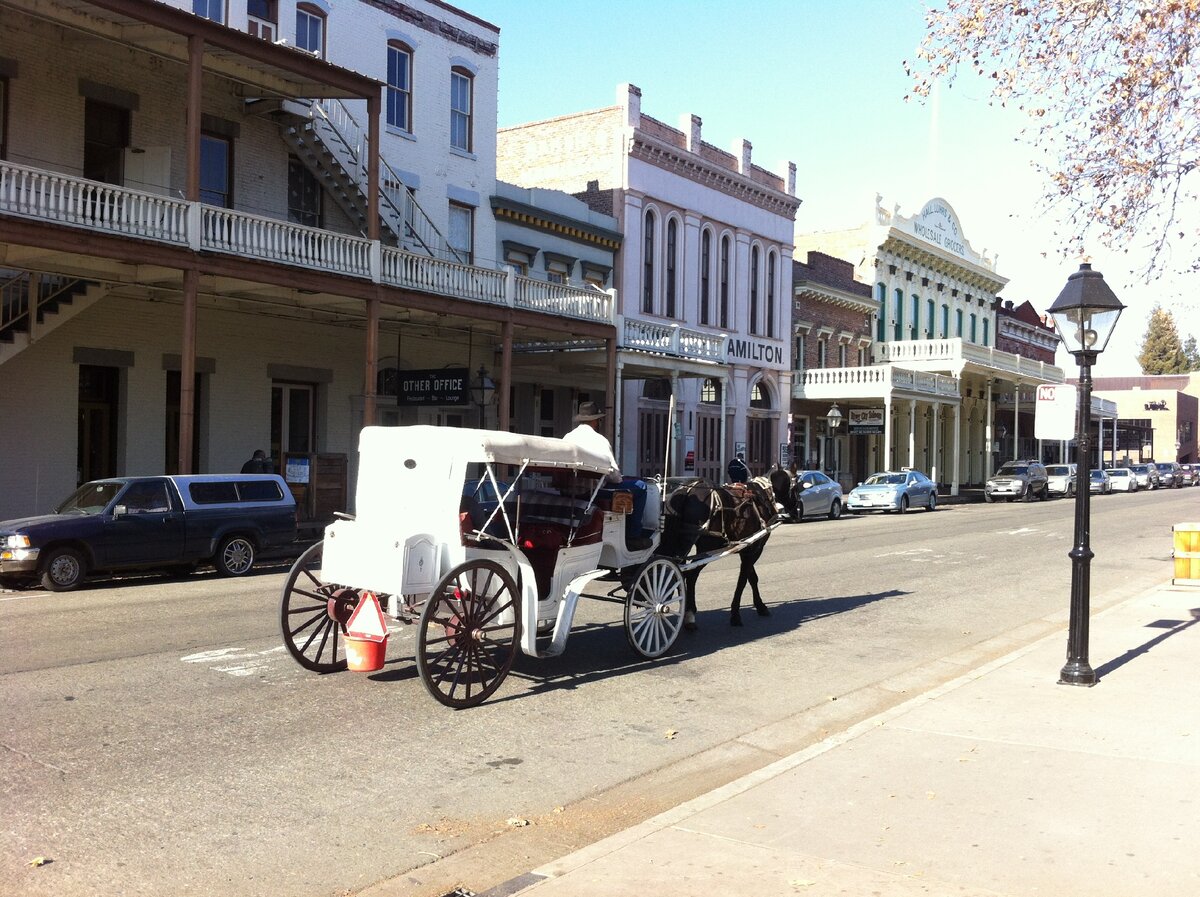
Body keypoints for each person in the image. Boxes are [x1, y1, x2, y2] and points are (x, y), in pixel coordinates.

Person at [564, 401, 652, 546]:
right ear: (595, 421)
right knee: (641, 487)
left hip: (569, 491)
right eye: (599, 420)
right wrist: (618, 477)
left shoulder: (568, 437)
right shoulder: (599, 440)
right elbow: (615, 477)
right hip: (591, 491)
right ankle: (633, 535)